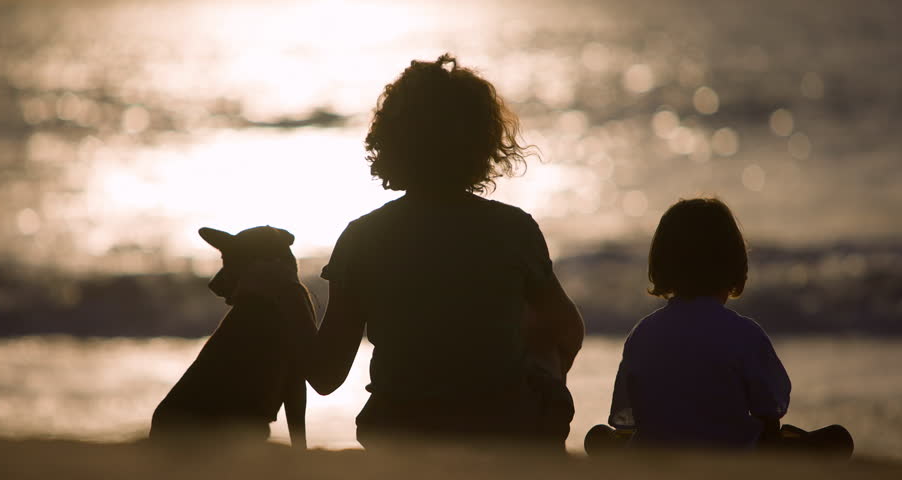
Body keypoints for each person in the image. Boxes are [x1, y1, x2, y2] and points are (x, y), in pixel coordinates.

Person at [296, 54, 584, 451]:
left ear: (391, 142)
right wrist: (539, 378)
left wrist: (289, 308)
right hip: (501, 426)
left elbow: (326, 376)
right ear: (482, 143)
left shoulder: (364, 238)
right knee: (543, 339)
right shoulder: (514, 229)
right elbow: (568, 329)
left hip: (399, 427)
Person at [584, 198, 852, 457]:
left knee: (600, 437)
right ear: (734, 266)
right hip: (733, 454)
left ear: (661, 264)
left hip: (656, 455)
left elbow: (626, 416)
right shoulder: (744, 334)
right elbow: (771, 404)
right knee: (834, 438)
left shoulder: (641, 334)